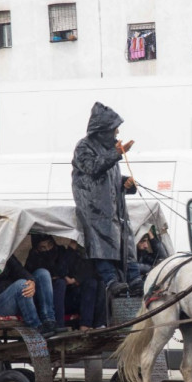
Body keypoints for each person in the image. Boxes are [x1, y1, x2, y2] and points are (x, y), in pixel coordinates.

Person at [71, 102, 143, 297]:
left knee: (126, 241)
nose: (117, 132)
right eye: (114, 129)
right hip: (93, 208)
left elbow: (109, 179)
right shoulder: (84, 147)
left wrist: (127, 183)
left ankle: (135, 279)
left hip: (113, 207)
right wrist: (118, 153)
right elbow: (93, 169)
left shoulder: (111, 150)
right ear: (102, 130)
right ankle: (111, 280)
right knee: (101, 242)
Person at [0, 254, 56, 334]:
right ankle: (34, 327)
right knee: (21, 284)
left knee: (42, 273)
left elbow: (19, 270)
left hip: (16, 297)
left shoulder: (5, 254)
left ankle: (48, 321)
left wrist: (31, 281)